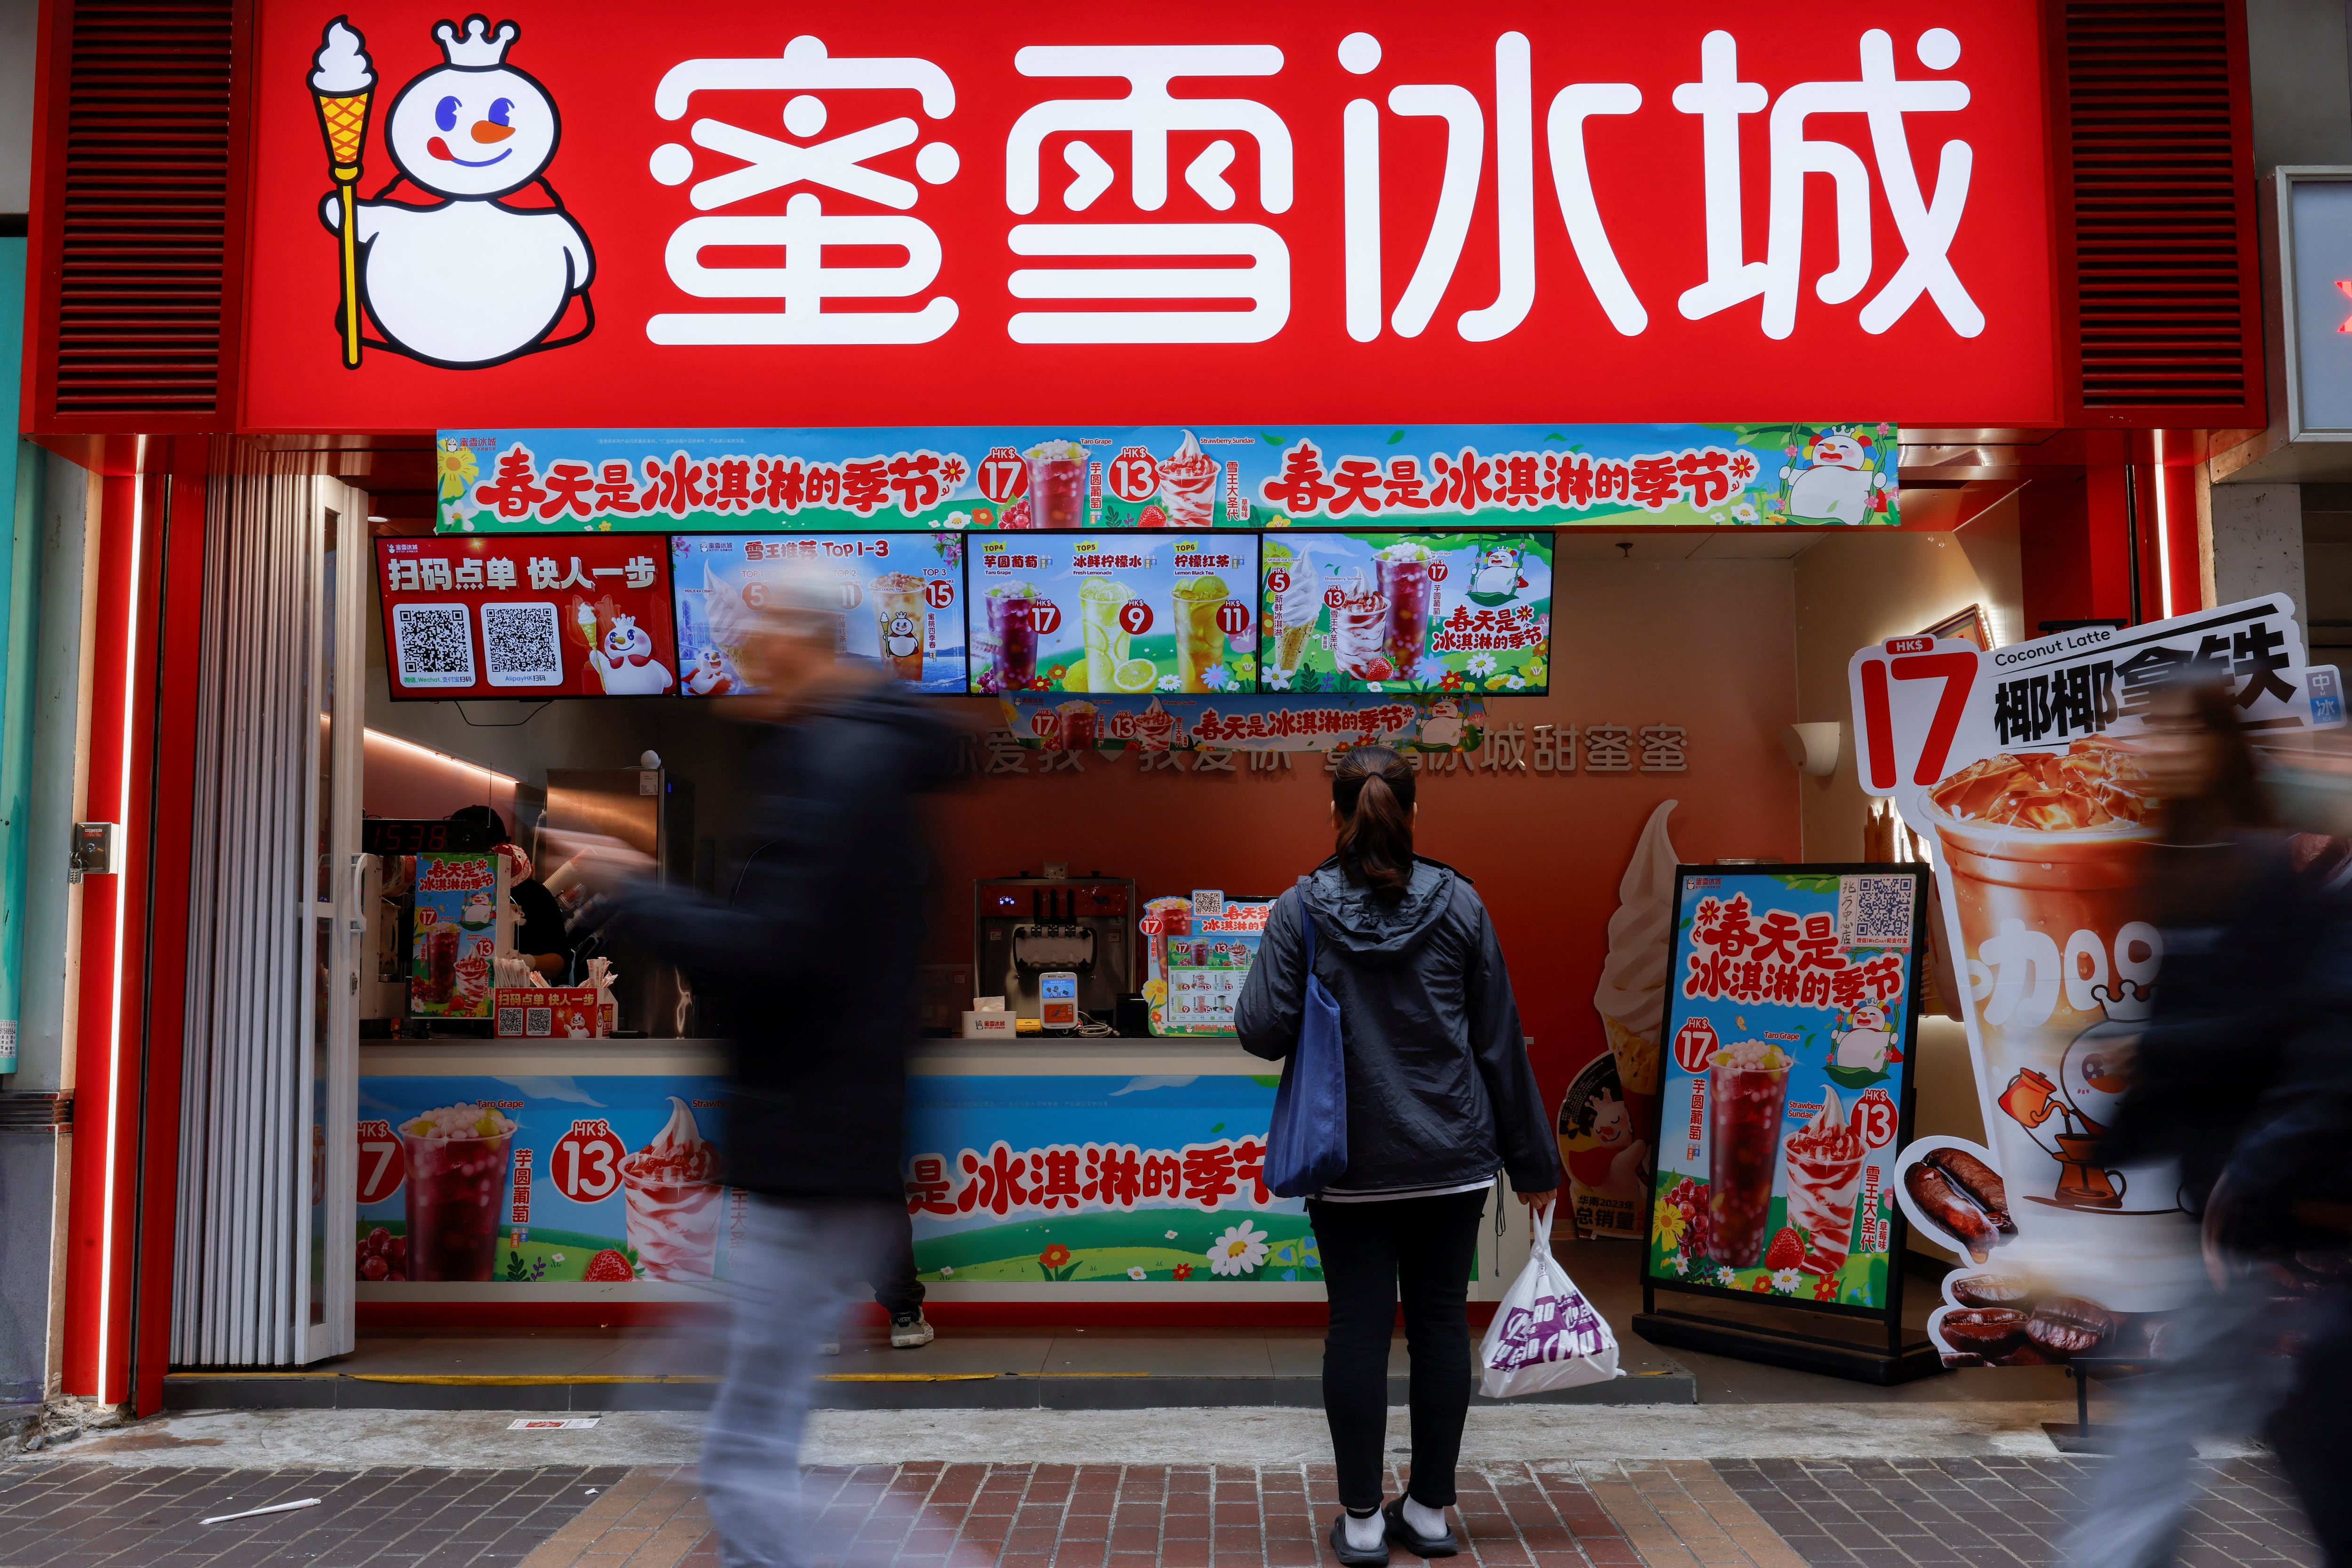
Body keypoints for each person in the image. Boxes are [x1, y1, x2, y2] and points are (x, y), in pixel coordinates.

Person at [557, 563, 958, 1568]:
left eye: (759, 624)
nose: (742, 645)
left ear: (809, 636)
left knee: (738, 1454)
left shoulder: (841, 766)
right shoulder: (843, 756)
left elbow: (777, 944)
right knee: (723, 1431)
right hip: (819, 1140)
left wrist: (637, 886)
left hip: (813, 1146)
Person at [1234, 745, 1560, 1567]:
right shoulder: (1461, 905)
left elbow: (1259, 1029)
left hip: (1349, 1163)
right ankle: (1431, 1510)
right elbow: (1498, 1045)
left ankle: (1363, 1522)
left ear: (1334, 816)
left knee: (1357, 1328)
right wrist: (1534, 1165)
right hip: (1452, 1158)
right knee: (1443, 1326)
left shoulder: (1300, 907)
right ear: (1413, 814)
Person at [2061, 680, 2347, 1568]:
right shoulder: (2177, 857)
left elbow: (2280, 1025)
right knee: (2256, 1405)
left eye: (2179, 729)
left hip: (2250, 1184)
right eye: (2153, 729)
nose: (2158, 746)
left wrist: (2158, 1057)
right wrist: (2106, 1148)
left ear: (2221, 742)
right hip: (2215, 1185)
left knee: (2217, 1403)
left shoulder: (2264, 867)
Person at [445, 804, 577, 981]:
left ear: (505, 848)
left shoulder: (534, 895)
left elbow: (561, 963)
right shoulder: (437, 893)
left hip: (516, 1001)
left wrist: (525, 962)